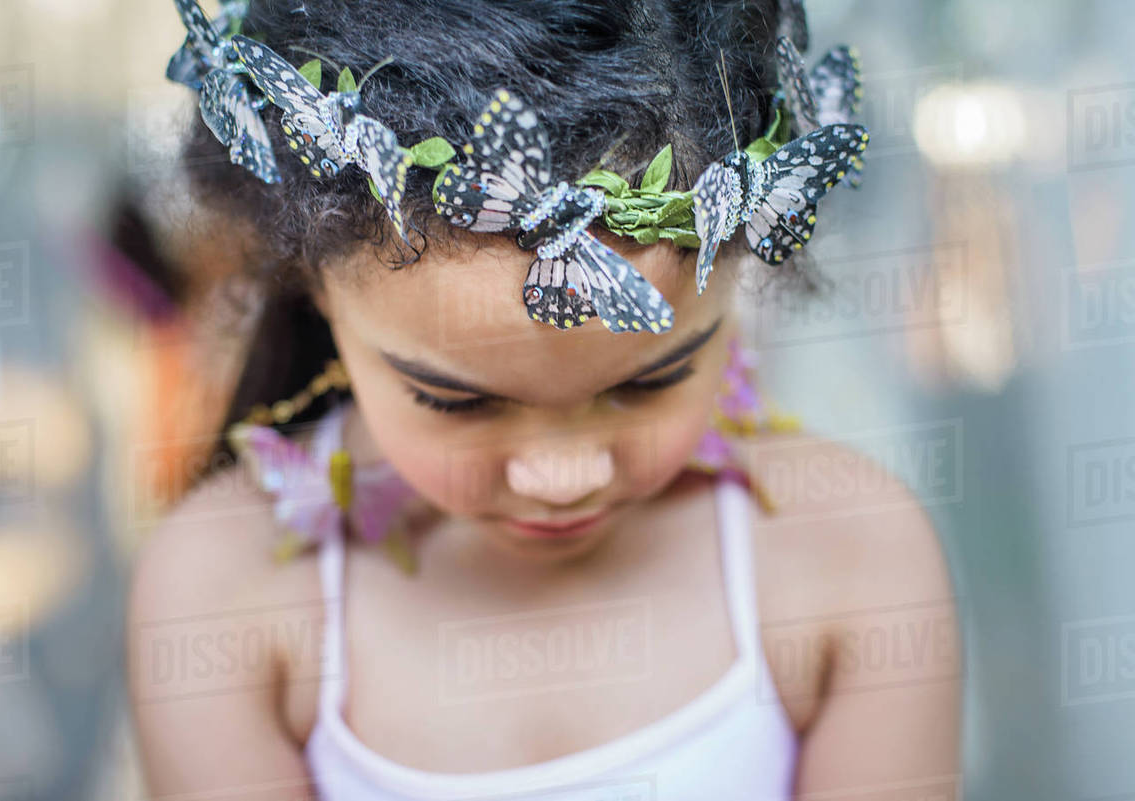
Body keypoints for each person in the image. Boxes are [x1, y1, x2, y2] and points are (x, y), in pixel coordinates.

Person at [128, 1, 961, 798]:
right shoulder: (221, 604)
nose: (563, 475)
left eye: (651, 381)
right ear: (310, 275)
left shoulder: (852, 563)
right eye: (457, 402)